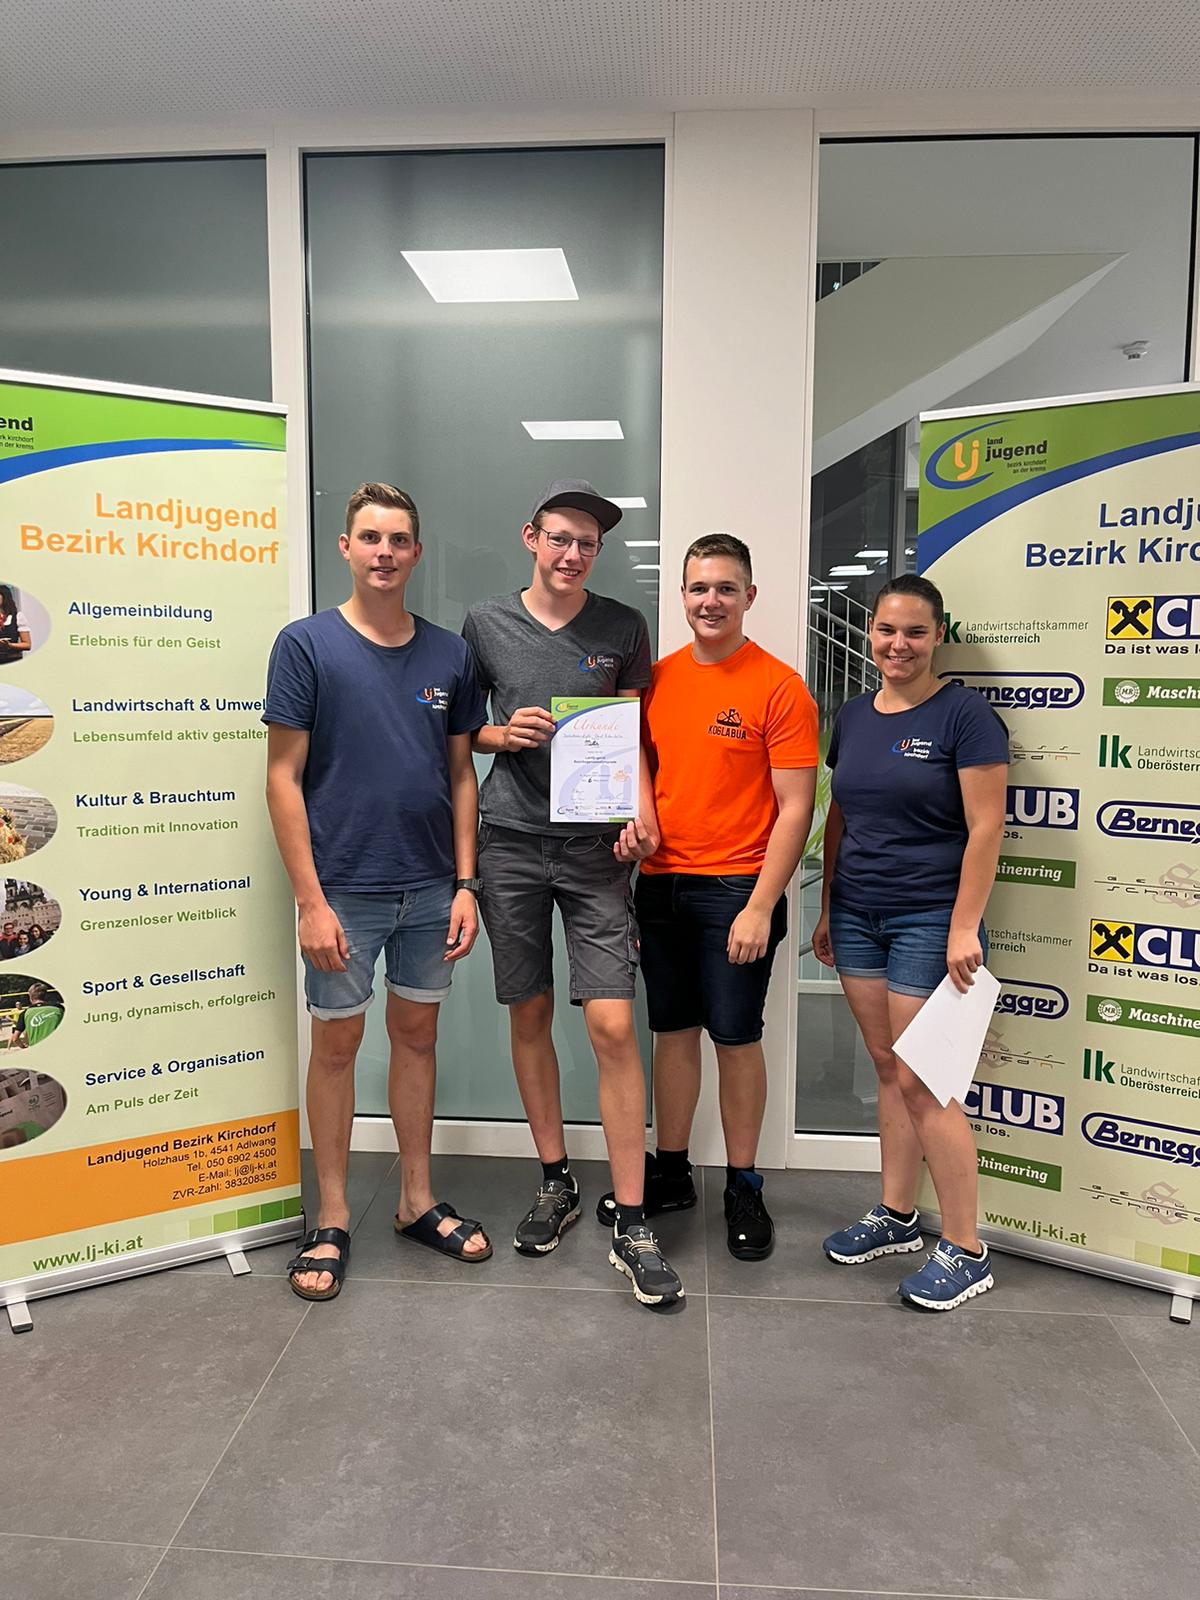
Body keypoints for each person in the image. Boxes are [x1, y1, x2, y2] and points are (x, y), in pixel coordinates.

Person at [265, 483, 492, 1302]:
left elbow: (461, 774)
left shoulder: (448, 655)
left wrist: (466, 884)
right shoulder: (306, 646)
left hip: (431, 888)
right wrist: (310, 901)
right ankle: (331, 1216)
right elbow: (282, 778)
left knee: (418, 1038)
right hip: (344, 892)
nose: (385, 552)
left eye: (399, 539)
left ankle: (415, 1200)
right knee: (336, 1047)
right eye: (371, 538)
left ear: (416, 553)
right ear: (346, 547)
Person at [462, 479, 683, 1311]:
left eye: (587, 543)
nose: (572, 554)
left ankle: (633, 1219)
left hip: (596, 853)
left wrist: (641, 817)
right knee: (529, 1011)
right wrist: (498, 733)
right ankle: (555, 1179)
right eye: (559, 538)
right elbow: (456, 729)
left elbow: (633, 736)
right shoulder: (485, 622)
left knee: (613, 1025)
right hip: (510, 843)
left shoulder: (622, 626)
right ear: (531, 537)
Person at [615, 533, 818, 1260]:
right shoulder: (657, 681)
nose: (711, 601)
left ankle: (743, 1184)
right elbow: (638, 772)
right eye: (699, 587)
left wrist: (761, 906)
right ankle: (672, 1173)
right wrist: (635, 829)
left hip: (738, 889)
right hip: (661, 885)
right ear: (682, 596)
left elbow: (796, 807)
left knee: (735, 1038)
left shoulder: (780, 687)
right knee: (671, 1032)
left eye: (726, 588)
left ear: (749, 597)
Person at [812, 572, 1007, 1312]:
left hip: (930, 917)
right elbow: (840, 815)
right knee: (888, 1067)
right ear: (871, 633)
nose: (899, 644)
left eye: (915, 632)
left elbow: (986, 828)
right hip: (857, 913)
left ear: (938, 636)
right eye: (887, 630)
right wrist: (827, 906)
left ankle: (966, 1248)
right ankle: (896, 1213)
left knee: (926, 1081)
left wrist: (963, 925)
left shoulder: (966, 716)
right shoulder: (853, 716)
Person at [11, 982, 65, 1049]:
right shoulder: (58, 1009)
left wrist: (23, 1047)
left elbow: (15, 1038)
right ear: (45, 995)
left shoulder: (25, 1013)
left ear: (30, 996)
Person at [0, 586, 32, 667]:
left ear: (5, 597)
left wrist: (9, 645)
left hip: (11, 660)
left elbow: (27, 645)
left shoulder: (17, 616)